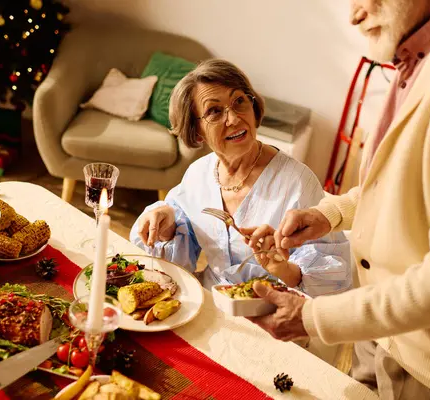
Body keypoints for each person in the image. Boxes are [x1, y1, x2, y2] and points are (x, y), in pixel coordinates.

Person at [247, 0, 430, 399]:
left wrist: (311, 317)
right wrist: (328, 214)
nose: (354, 14)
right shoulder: (421, 53)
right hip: (382, 331)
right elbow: (401, 185)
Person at [130, 59, 352, 298]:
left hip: (276, 310)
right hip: (212, 300)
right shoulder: (198, 175)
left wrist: (281, 268)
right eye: (214, 111)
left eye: (239, 102)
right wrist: (166, 225)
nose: (234, 119)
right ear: (196, 132)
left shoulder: (297, 182)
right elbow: (177, 258)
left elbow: (332, 277)